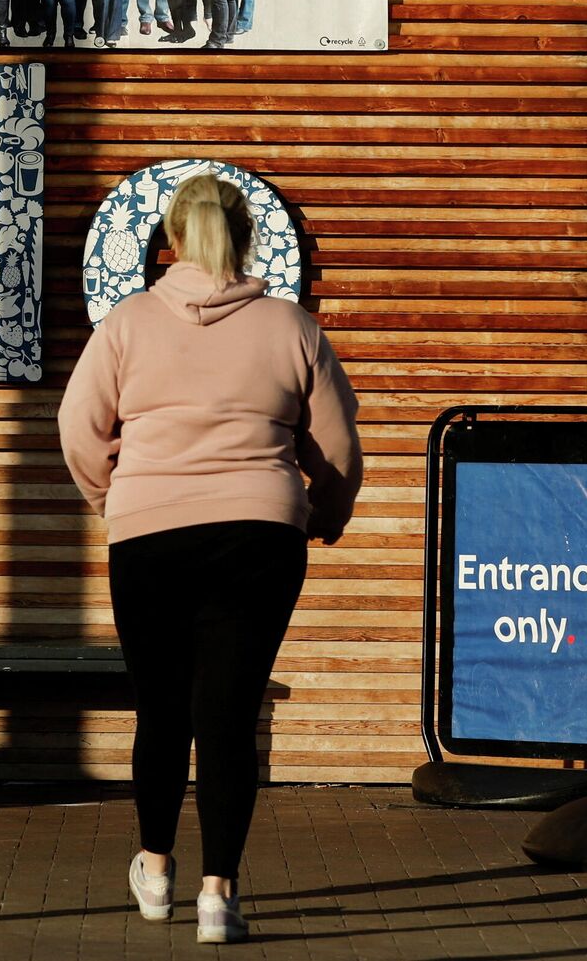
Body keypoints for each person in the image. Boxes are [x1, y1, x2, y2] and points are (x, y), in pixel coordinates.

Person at [58, 174, 361, 946]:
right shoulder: (292, 326)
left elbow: (78, 426)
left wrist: (114, 500)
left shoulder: (125, 324)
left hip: (148, 534)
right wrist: (325, 511)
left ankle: (155, 871)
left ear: (171, 237)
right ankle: (218, 893)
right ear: (245, 234)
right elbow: (336, 445)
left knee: (160, 708)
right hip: (259, 532)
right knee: (228, 714)